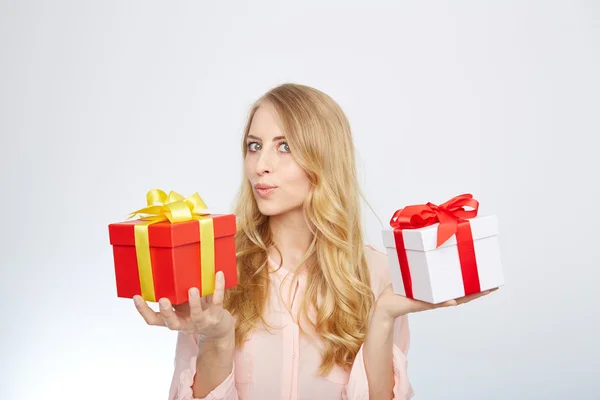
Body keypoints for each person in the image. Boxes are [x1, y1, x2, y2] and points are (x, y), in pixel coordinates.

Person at [133, 83, 495, 400]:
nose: (261, 164)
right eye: (254, 146)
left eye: (285, 146)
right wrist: (218, 339)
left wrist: (382, 317)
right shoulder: (214, 273)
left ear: (325, 158)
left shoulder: (379, 274)